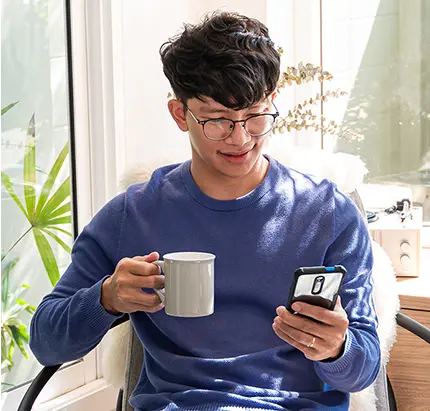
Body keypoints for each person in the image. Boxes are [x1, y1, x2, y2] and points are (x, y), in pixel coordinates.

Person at [30, 11, 381, 411]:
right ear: (180, 114)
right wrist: (105, 298)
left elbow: (363, 370)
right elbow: (46, 343)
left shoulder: (329, 214)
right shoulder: (134, 215)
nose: (240, 138)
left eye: (255, 117)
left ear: (272, 102)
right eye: (218, 121)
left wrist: (338, 348)